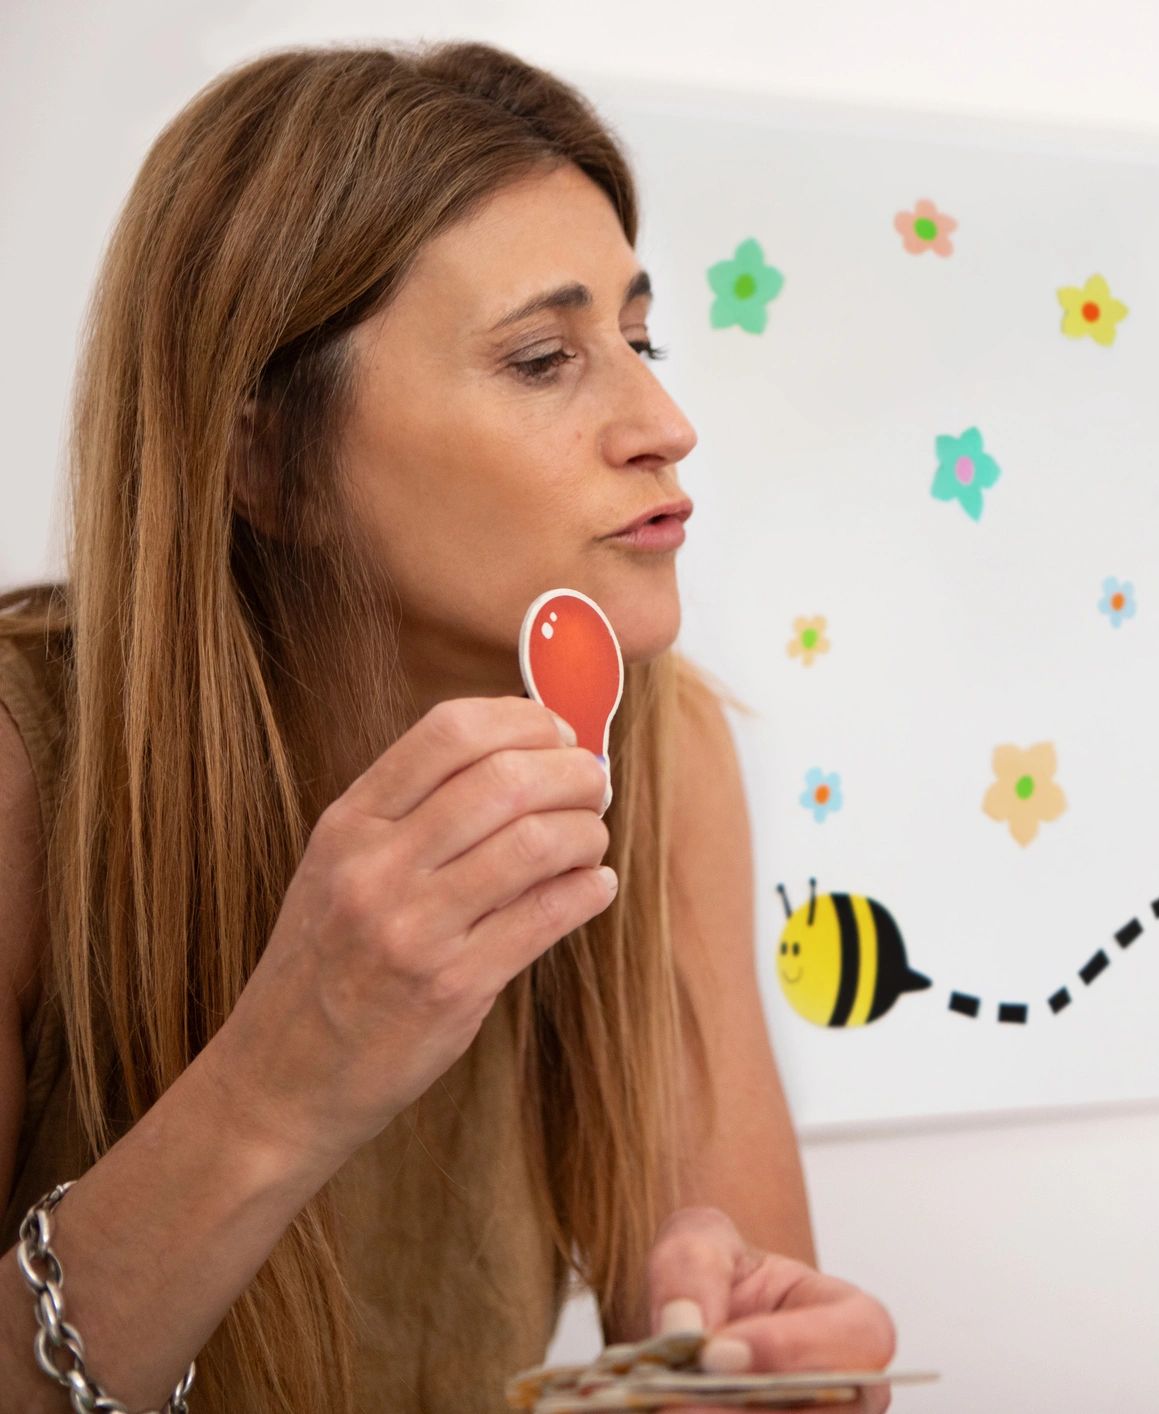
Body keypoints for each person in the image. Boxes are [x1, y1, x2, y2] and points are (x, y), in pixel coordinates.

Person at [0, 41, 893, 1413]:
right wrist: (283, 1080)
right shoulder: (25, 765)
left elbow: (743, 1346)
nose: (666, 422)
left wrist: (752, 1368)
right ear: (266, 460)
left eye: (641, 339)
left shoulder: (659, 752)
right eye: (542, 359)